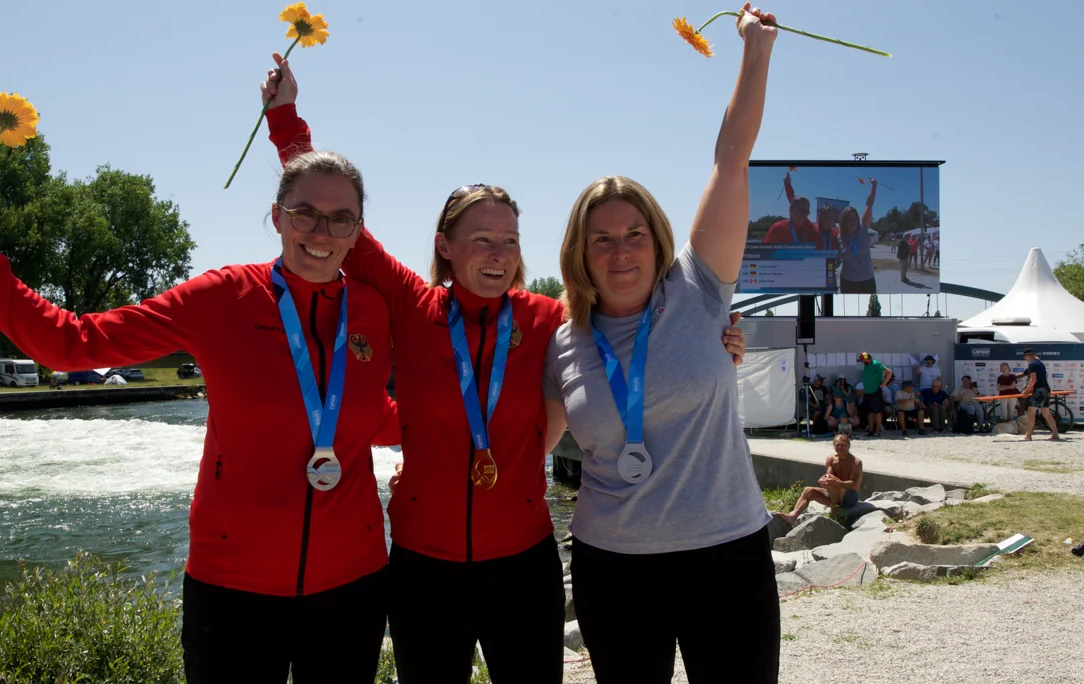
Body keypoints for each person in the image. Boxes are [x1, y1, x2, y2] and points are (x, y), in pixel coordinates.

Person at [260, 48, 752, 684]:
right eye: (481, 239)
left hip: (523, 564)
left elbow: (637, 324)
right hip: (423, 565)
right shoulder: (413, 306)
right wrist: (286, 122)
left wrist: (723, 333)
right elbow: (337, 220)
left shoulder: (550, 317)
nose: (498, 254)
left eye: (510, 240)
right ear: (444, 245)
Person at [0, 156, 402, 683]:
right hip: (232, 590)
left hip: (351, 588)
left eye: (341, 218)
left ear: (358, 231)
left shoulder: (375, 313)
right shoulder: (222, 297)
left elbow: (371, 415)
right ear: (277, 216)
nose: (321, 231)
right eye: (305, 212)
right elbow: (70, 342)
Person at [543, 8, 779, 682]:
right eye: (602, 238)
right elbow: (526, 444)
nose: (621, 252)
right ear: (579, 254)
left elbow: (730, 162)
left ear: (660, 238)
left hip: (727, 554)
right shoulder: (563, 342)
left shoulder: (701, 291)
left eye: (634, 233)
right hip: (611, 568)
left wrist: (754, 53)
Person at [776, 433, 863, 525]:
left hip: (849, 497)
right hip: (833, 495)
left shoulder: (856, 462)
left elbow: (854, 484)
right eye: (837, 445)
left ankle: (834, 510)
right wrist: (822, 481)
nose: (840, 448)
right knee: (808, 490)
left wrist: (838, 483)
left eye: (843, 445)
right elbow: (829, 477)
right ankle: (793, 516)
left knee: (835, 484)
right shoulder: (831, 459)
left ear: (849, 446)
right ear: (833, 446)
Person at [837, 179, 878, 293]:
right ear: (843, 221)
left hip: (867, 281)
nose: (852, 222)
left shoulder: (863, 228)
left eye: (854, 218)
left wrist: (874, 185)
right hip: (848, 282)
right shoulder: (839, 237)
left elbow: (869, 203)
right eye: (849, 219)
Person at [1017, 348, 1061, 441]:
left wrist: (1026, 391)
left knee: (1031, 412)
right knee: (1046, 413)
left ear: (1029, 355)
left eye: (1025, 356)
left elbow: (1033, 380)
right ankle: (1055, 434)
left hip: (1039, 390)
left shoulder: (1032, 364)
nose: (1025, 358)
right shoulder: (1039, 363)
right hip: (1046, 389)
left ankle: (1028, 435)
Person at [857, 352, 892, 437]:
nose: (861, 362)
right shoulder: (867, 365)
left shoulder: (876, 364)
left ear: (866, 358)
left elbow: (889, 372)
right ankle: (871, 430)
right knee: (869, 412)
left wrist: (883, 384)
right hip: (867, 392)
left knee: (877, 412)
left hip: (875, 392)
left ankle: (877, 431)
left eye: (862, 360)